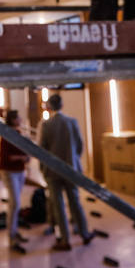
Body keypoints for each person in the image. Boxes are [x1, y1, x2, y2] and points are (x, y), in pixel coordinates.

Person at [37, 93, 91, 250]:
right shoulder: (72, 122)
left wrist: (44, 168)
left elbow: (42, 149)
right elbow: (80, 146)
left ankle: (64, 240)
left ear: (49, 106)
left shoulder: (46, 125)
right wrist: (73, 161)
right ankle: (84, 233)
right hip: (71, 169)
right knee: (75, 202)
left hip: (52, 171)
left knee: (58, 206)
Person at [0, 109, 30, 249]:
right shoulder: (6, 136)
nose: (21, 119)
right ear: (13, 120)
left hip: (19, 170)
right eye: (18, 117)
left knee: (15, 203)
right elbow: (6, 157)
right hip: (9, 171)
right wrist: (22, 157)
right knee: (15, 203)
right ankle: (11, 235)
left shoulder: (17, 134)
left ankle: (14, 231)